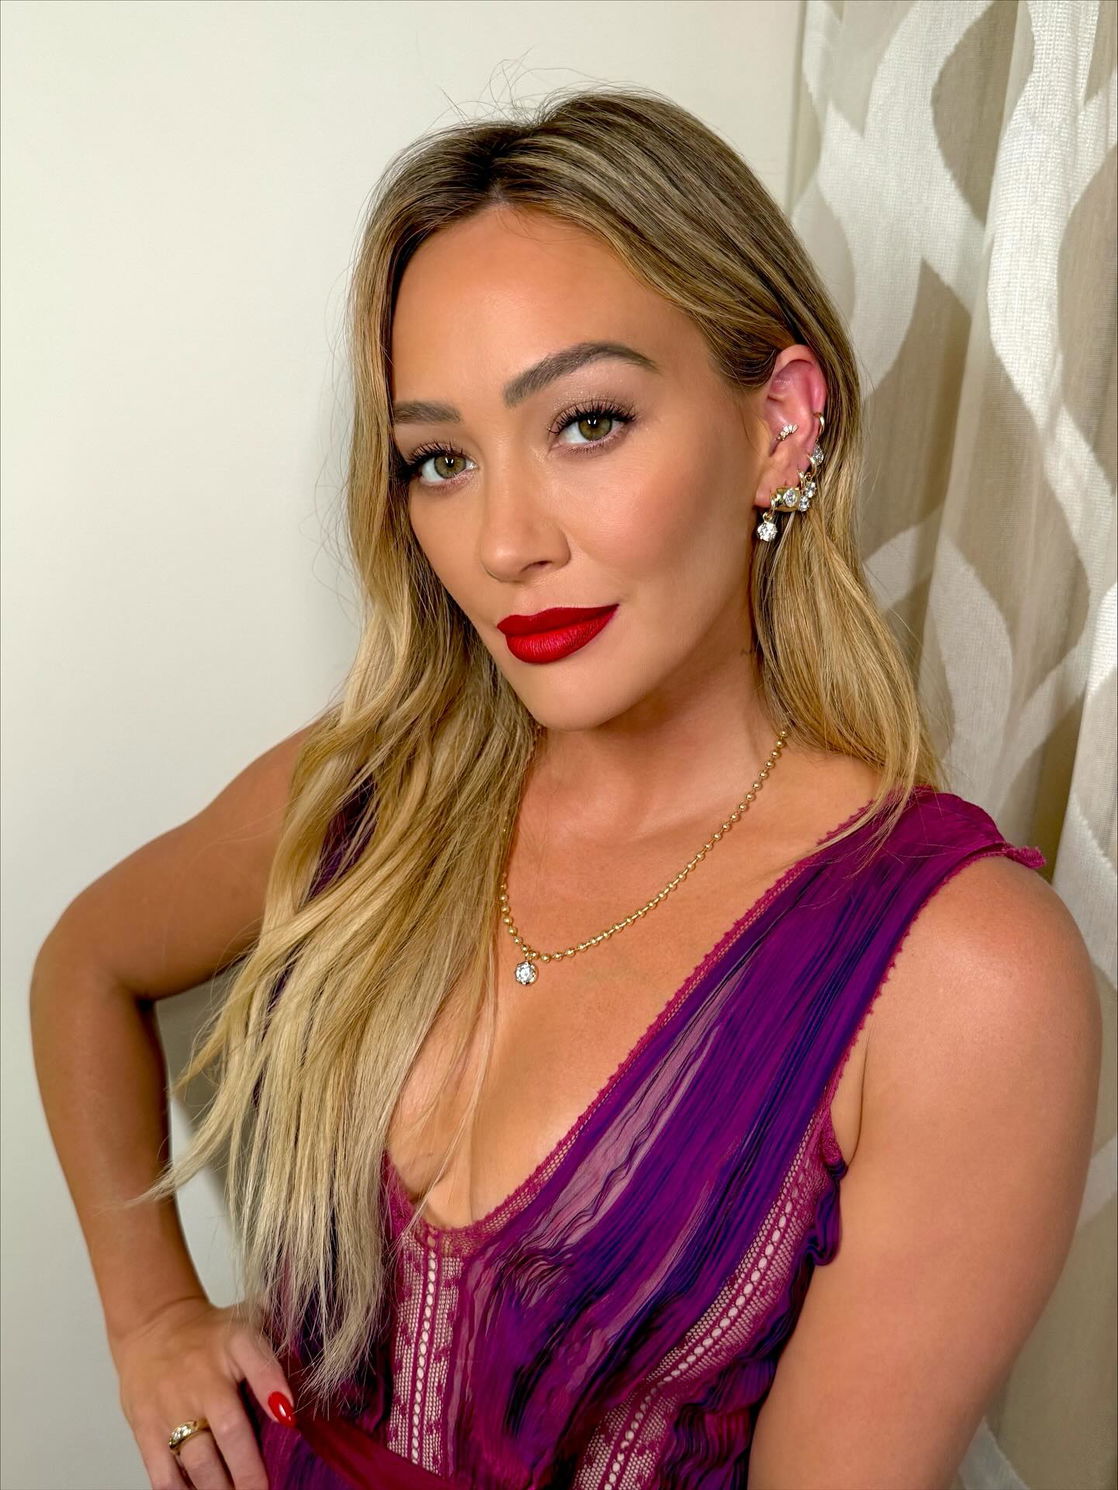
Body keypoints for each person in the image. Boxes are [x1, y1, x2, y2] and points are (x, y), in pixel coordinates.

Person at [30, 85, 1101, 1490]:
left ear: (780, 427)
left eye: (587, 422)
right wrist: (151, 1317)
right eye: (441, 459)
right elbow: (86, 964)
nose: (504, 543)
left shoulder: (957, 973)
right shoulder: (366, 795)